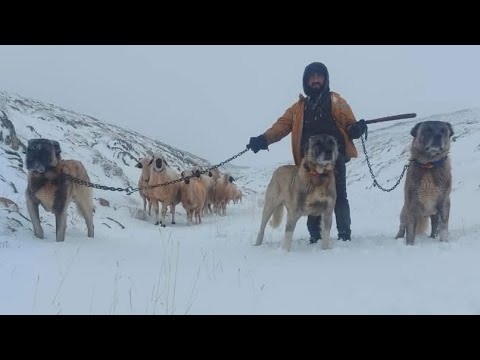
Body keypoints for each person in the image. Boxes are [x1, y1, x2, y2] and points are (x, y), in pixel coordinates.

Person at [247, 62, 367, 242]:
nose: (316, 80)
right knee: (307, 195)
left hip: (334, 159)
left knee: (338, 196)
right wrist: (263, 139)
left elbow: (350, 122)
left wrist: (355, 128)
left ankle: (344, 235)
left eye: (320, 76)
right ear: (306, 81)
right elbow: (281, 126)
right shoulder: (297, 109)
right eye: (312, 77)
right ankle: (315, 236)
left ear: (325, 79)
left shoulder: (336, 101)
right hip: (308, 162)